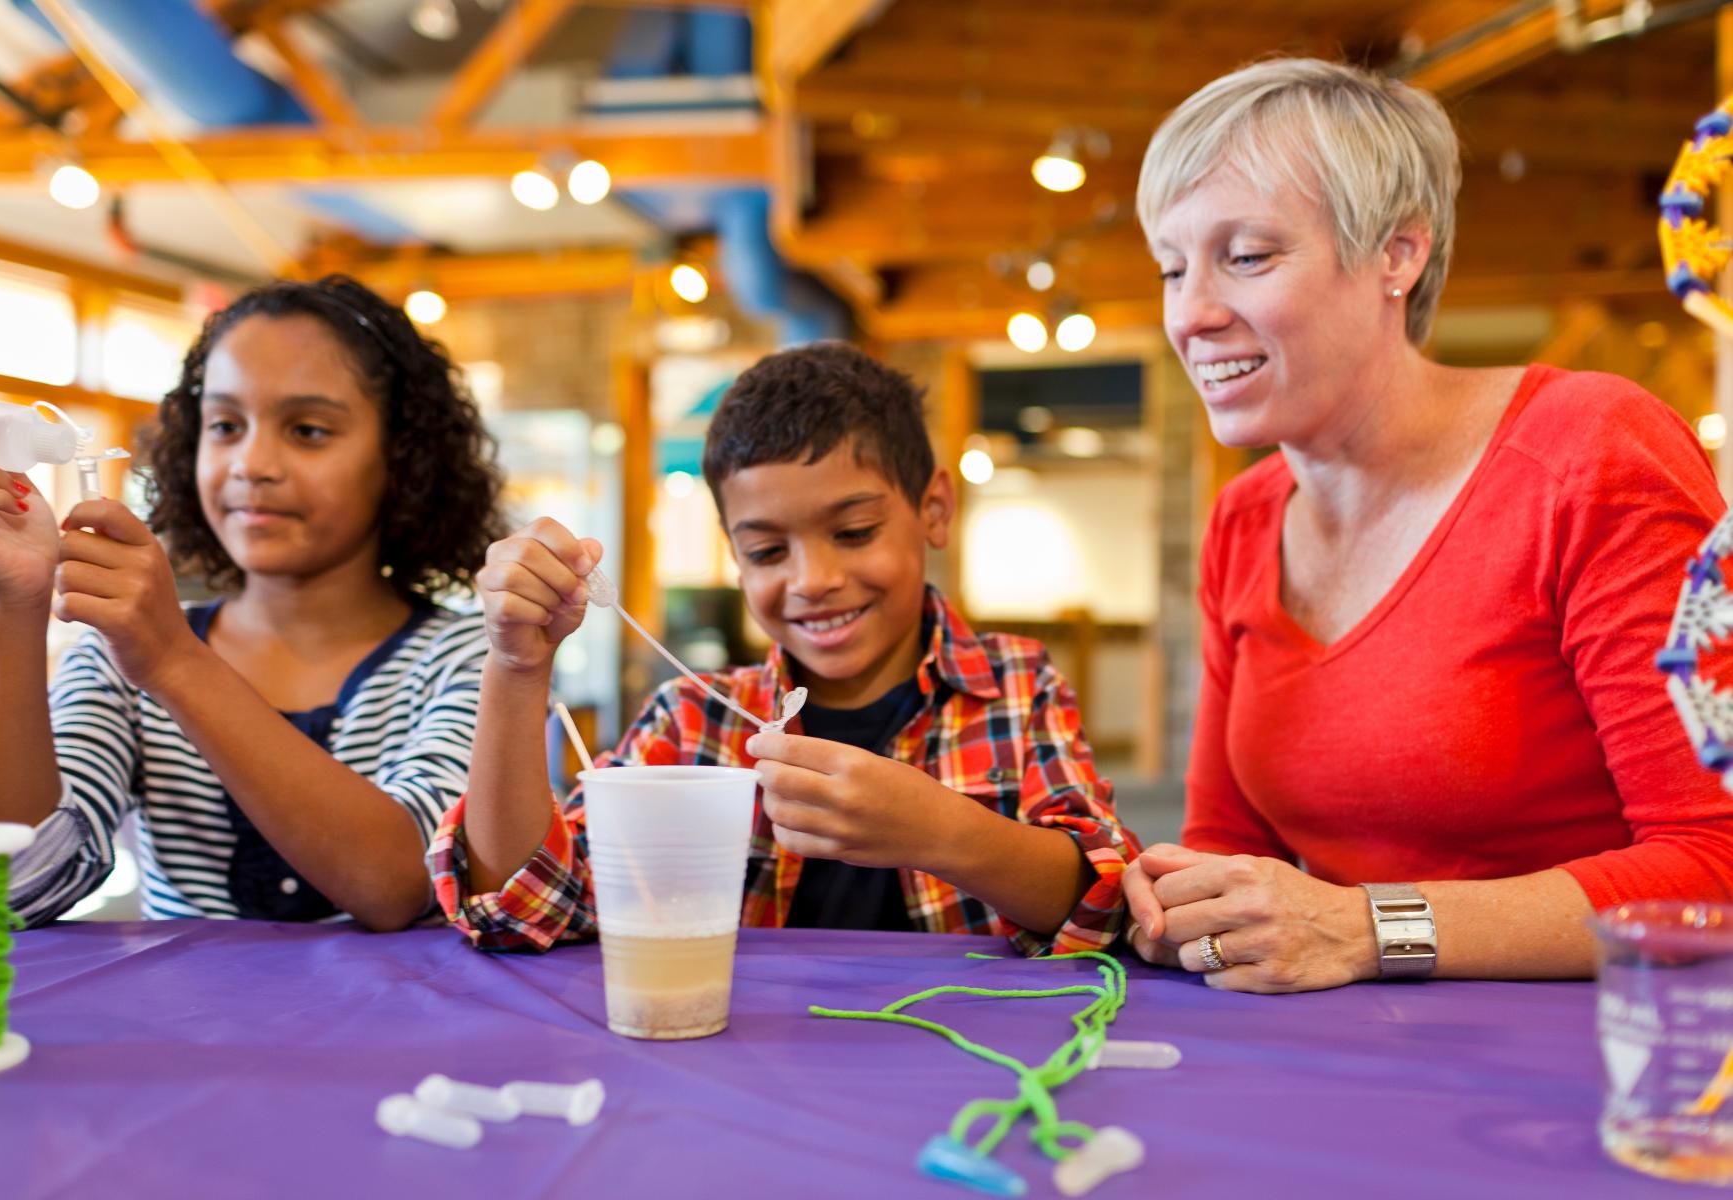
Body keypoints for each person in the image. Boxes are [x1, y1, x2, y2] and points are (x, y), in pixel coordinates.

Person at [1120, 58, 1733, 994]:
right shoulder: (1242, 522)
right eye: (1173, 267)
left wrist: (1369, 928)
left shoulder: (1591, 452)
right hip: (1339, 1053)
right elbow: (1228, 846)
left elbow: (1716, 866)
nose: (1192, 313)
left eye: (1246, 256)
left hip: (1602, 1059)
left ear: (1395, 256)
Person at [433, 342, 1131, 955]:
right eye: (768, 551)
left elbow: (1108, 902)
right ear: (734, 556)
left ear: (933, 510)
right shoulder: (693, 722)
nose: (814, 581)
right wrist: (517, 667)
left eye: (854, 532)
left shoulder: (1013, 687)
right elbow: (522, 908)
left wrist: (945, 832)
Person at [0, 275, 506, 930]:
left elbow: (402, 884)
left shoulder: (470, 658)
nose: (252, 463)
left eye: (310, 430)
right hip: (178, 1032)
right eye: (226, 425)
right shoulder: (120, 654)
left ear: (403, 459)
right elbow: (9, 887)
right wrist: (17, 604)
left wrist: (175, 661)